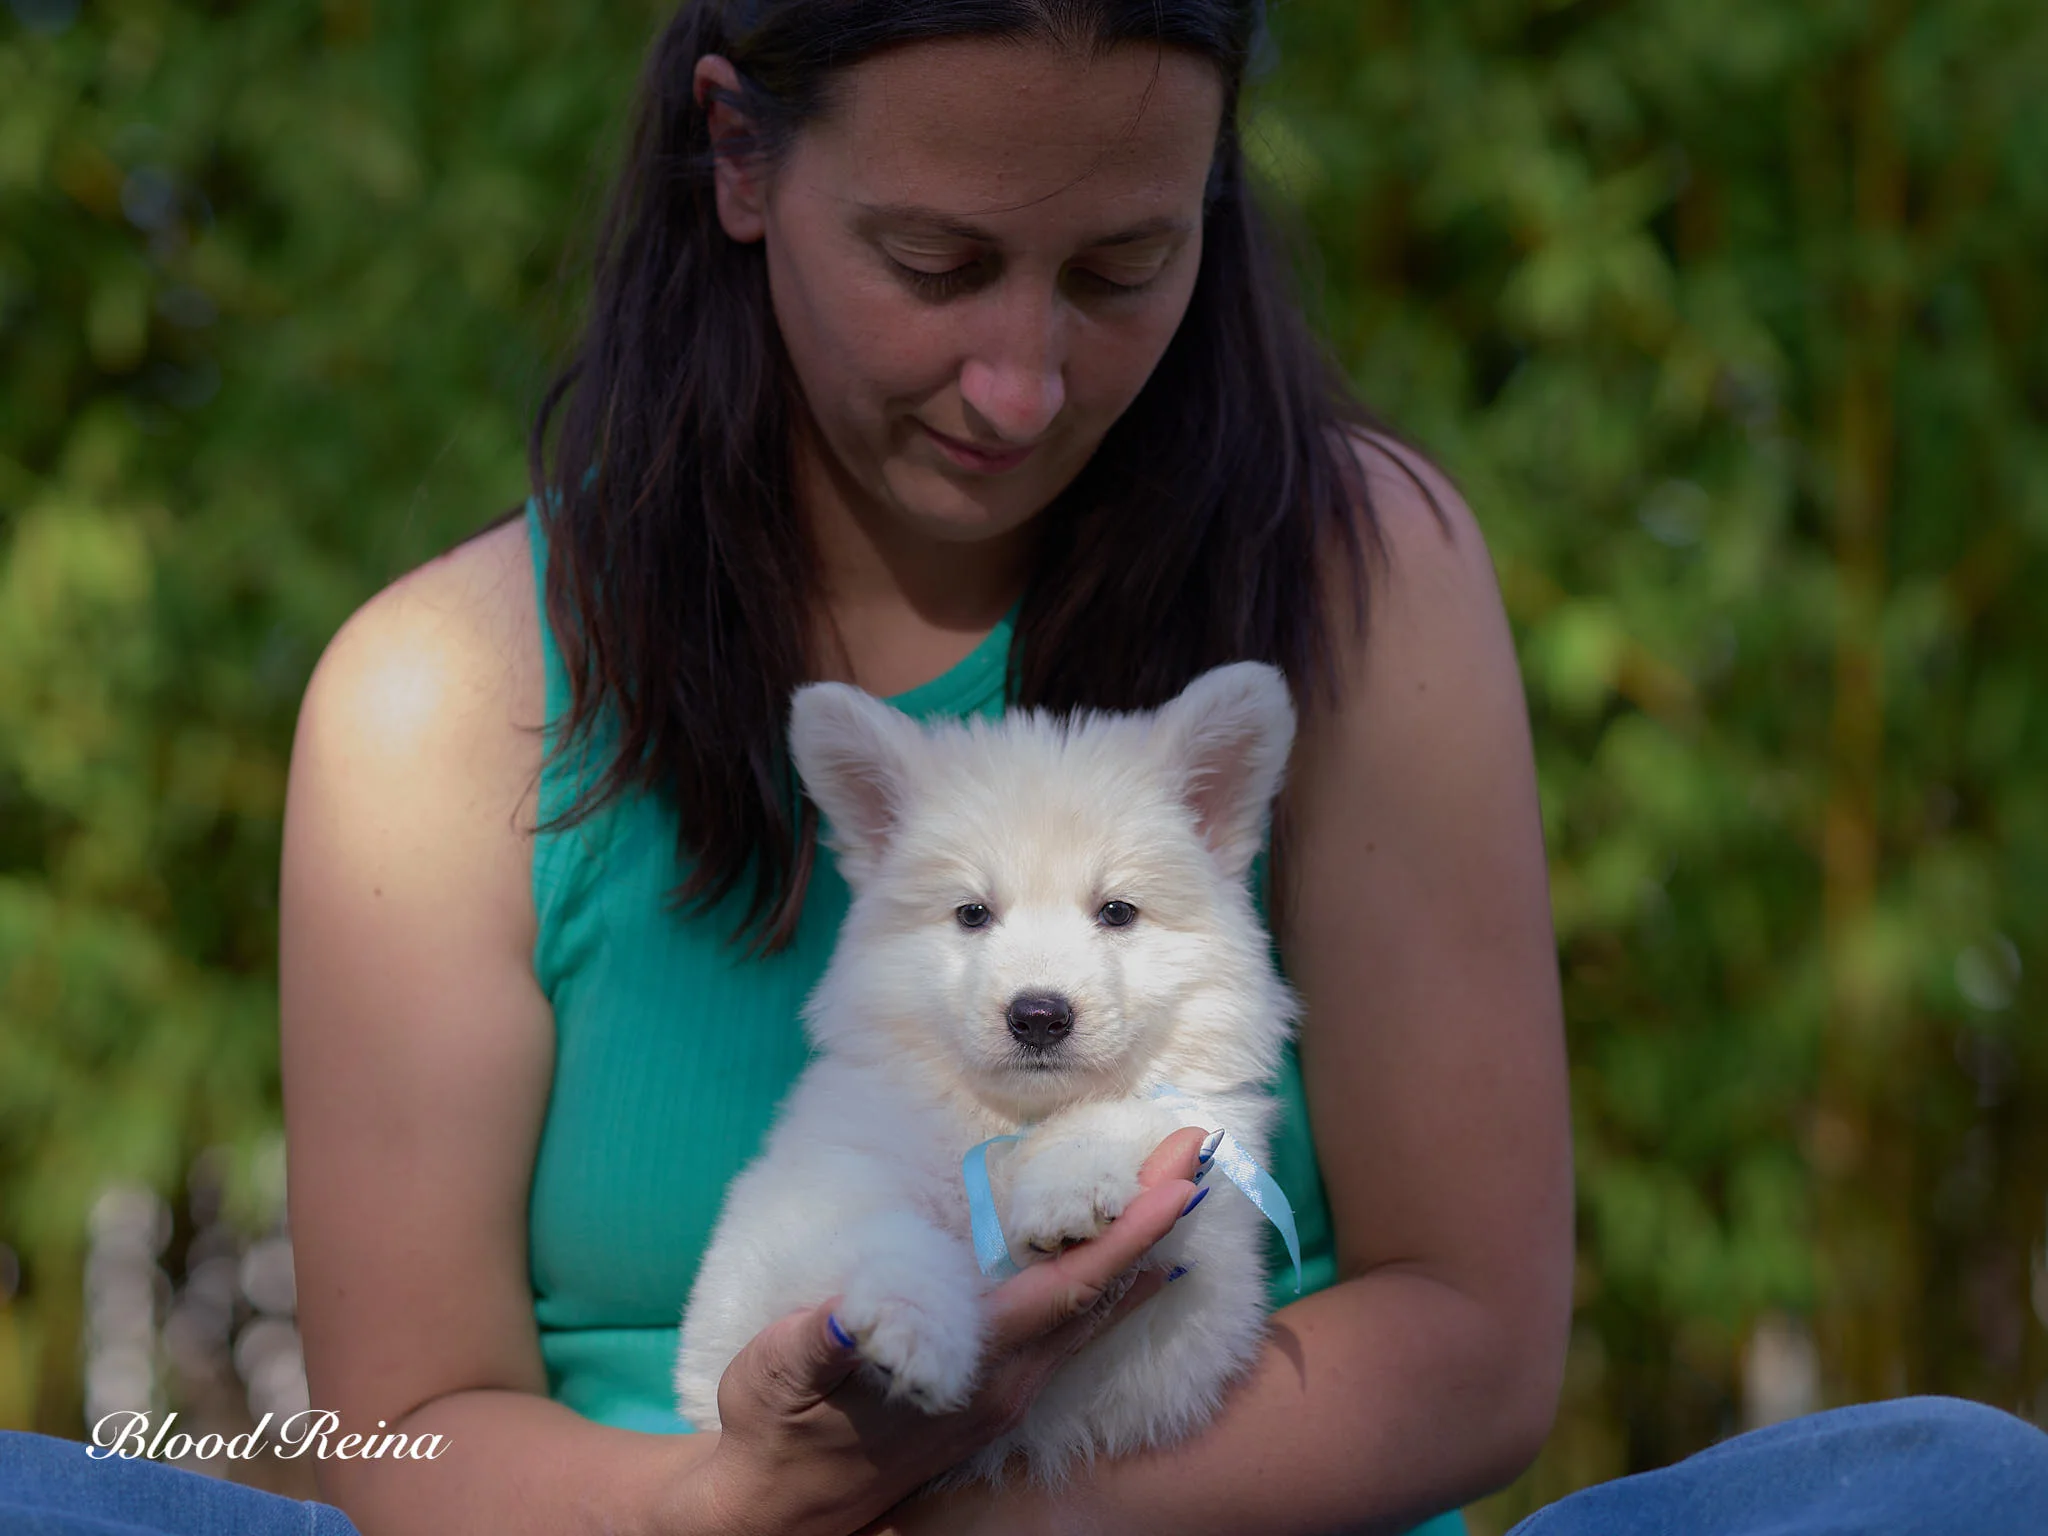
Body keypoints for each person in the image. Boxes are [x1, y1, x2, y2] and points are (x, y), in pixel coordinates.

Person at [2, 3, 2042, 1535]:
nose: (1022, 378)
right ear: (736, 155)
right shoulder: (438, 699)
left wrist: (976, 1516)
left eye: (1118, 270)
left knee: (1948, 1486)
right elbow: (403, 1435)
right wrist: (745, 1508)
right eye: (936, 262)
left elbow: (1467, 1339)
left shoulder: (1361, 577)